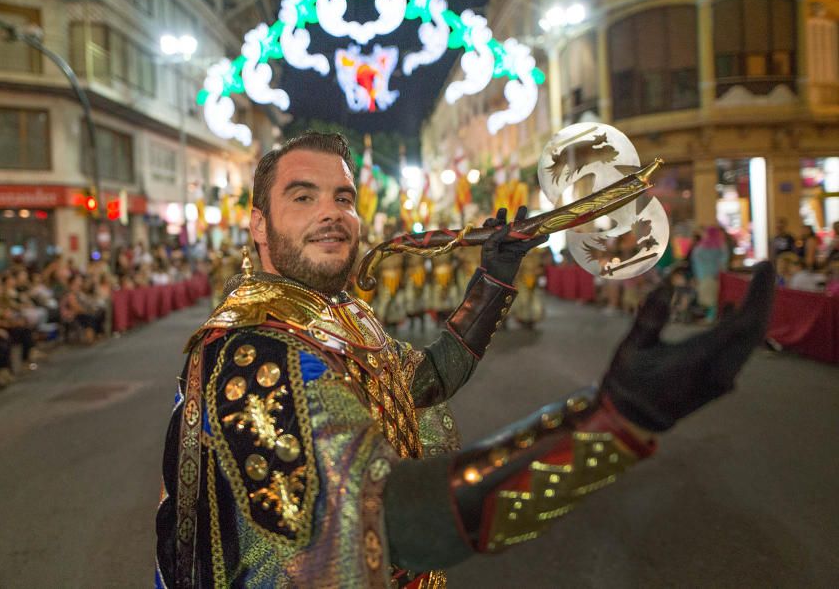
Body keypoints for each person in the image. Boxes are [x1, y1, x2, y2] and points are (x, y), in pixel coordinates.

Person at [155, 132, 775, 587]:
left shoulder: (337, 316)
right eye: (303, 196)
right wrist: (612, 423)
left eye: (343, 198)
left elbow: (422, 382)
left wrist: (492, 281)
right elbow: (385, 516)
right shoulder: (249, 351)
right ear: (259, 226)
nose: (331, 213)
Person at [690, 226, 729, 323]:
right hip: (716, 276)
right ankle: (712, 317)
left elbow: (695, 261)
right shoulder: (721, 246)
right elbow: (724, 260)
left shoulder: (700, 247)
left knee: (707, 297)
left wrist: (697, 275)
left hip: (703, 275)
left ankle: (710, 317)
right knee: (715, 297)